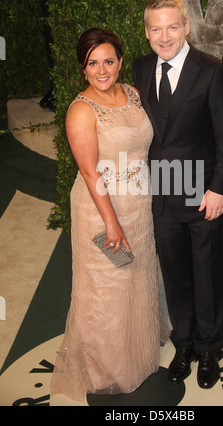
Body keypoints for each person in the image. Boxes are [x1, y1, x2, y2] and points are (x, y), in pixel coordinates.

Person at [50, 28, 169, 403]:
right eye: (92, 63)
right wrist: (112, 223)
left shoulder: (133, 93)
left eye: (108, 61)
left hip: (138, 203)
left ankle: (140, 347)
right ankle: (109, 366)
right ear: (82, 69)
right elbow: (89, 173)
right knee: (107, 287)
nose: (102, 70)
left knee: (138, 276)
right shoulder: (81, 110)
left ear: (119, 61)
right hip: (102, 210)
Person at [133, 0, 223, 389]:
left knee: (207, 272)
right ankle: (185, 344)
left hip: (202, 194)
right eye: (156, 29)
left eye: (172, 27)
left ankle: (210, 346)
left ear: (187, 26)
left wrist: (219, 189)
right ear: (146, 32)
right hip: (161, 194)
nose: (165, 37)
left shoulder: (213, 71)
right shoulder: (142, 69)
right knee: (175, 273)